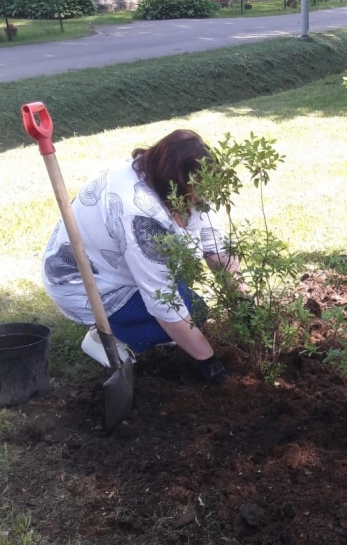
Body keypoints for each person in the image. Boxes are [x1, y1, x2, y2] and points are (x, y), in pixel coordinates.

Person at [42, 129, 235, 384]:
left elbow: (214, 243)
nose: (197, 200)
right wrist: (211, 364)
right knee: (167, 323)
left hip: (122, 268)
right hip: (90, 286)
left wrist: (242, 298)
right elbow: (162, 303)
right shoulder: (139, 214)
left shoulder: (186, 181)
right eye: (192, 194)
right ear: (174, 183)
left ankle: (140, 329)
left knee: (195, 311)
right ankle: (102, 337)